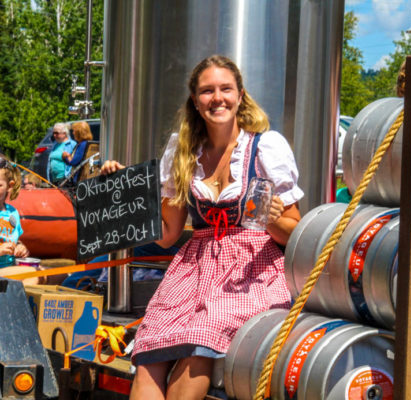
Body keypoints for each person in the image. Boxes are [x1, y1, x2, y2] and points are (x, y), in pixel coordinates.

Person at [101, 54, 303, 399]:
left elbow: (294, 233)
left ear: (240, 95)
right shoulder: (183, 151)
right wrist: (125, 192)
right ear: (195, 101)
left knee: (200, 340)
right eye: (207, 91)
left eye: (226, 89)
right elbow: (167, 237)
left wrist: (271, 219)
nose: (217, 98)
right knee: (151, 348)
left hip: (250, 270)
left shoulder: (265, 147)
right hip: (194, 266)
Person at [0, 154, 41, 285]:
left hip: (9, 269)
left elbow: (15, 240)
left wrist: (20, 247)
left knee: (57, 274)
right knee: (34, 275)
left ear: (9, 186)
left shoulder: (12, 213)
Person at [62, 121, 93, 185]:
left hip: (79, 179)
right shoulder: (89, 144)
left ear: (79, 132)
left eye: (74, 131)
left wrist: (65, 156)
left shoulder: (82, 145)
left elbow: (74, 162)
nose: (73, 133)